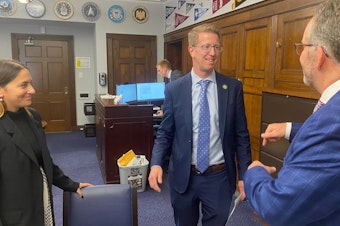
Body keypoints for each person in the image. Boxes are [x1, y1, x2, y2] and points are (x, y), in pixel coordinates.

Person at [243, 0, 340, 225]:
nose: (299, 56)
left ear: (320, 55)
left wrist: (255, 172)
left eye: (302, 47)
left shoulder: (330, 123)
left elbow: (276, 209)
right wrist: (290, 129)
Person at [148, 23, 251, 226]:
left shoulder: (232, 88)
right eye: (206, 47)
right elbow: (165, 132)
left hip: (219, 178)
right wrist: (156, 162)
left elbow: (241, 136)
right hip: (184, 177)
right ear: (191, 50)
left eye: (216, 47)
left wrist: (246, 175)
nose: (212, 53)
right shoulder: (175, 90)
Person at [0, 59, 92, 226]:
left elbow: (43, 161)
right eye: (24, 85)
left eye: (31, 84)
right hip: (14, 216)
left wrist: (69, 184)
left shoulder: (32, 116)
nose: (32, 90)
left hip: (41, 202)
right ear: (1, 90)